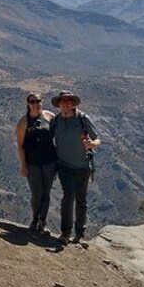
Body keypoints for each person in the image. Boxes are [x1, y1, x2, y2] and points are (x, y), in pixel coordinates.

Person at [50, 90, 100, 245]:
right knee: (67, 197)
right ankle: (65, 232)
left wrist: (92, 144)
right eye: (63, 101)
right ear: (58, 104)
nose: (66, 104)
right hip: (64, 165)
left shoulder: (82, 119)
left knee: (81, 200)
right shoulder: (56, 120)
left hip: (83, 166)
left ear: (73, 103)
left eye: (68, 101)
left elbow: (97, 139)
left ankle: (79, 234)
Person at [15, 92, 57, 234]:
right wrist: (23, 165)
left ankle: (42, 222)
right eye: (32, 101)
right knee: (36, 193)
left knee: (46, 192)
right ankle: (35, 219)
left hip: (50, 161)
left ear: (42, 101)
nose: (35, 103)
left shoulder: (50, 116)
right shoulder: (23, 122)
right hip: (32, 163)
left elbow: (62, 132)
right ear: (28, 104)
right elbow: (20, 145)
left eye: (37, 100)